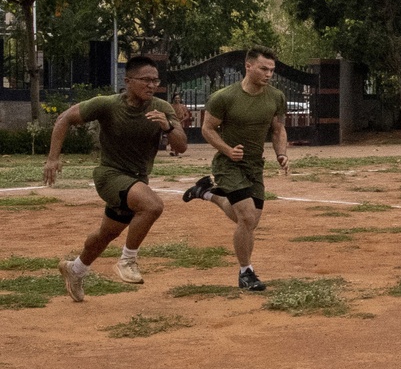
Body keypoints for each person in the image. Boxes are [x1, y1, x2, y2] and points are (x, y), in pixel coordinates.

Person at [46, 56, 186, 301]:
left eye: (155, 80)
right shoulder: (107, 105)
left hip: (137, 178)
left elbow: (182, 146)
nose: (151, 85)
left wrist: (167, 127)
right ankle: (127, 261)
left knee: (106, 234)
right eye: (145, 80)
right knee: (152, 206)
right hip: (109, 175)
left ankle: (75, 269)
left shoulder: (162, 108)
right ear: (128, 81)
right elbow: (64, 118)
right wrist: (52, 158)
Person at [182, 46, 289, 291]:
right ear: (248, 66)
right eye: (264, 68)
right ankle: (246, 273)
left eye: (272, 70)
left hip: (254, 165)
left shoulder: (276, 97)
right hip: (228, 164)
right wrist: (227, 150)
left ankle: (207, 192)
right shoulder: (224, 97)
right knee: (247, 216)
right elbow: (207, 130)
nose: (269, 74)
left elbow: (278, 129)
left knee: (250, 221)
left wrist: (281, 154)